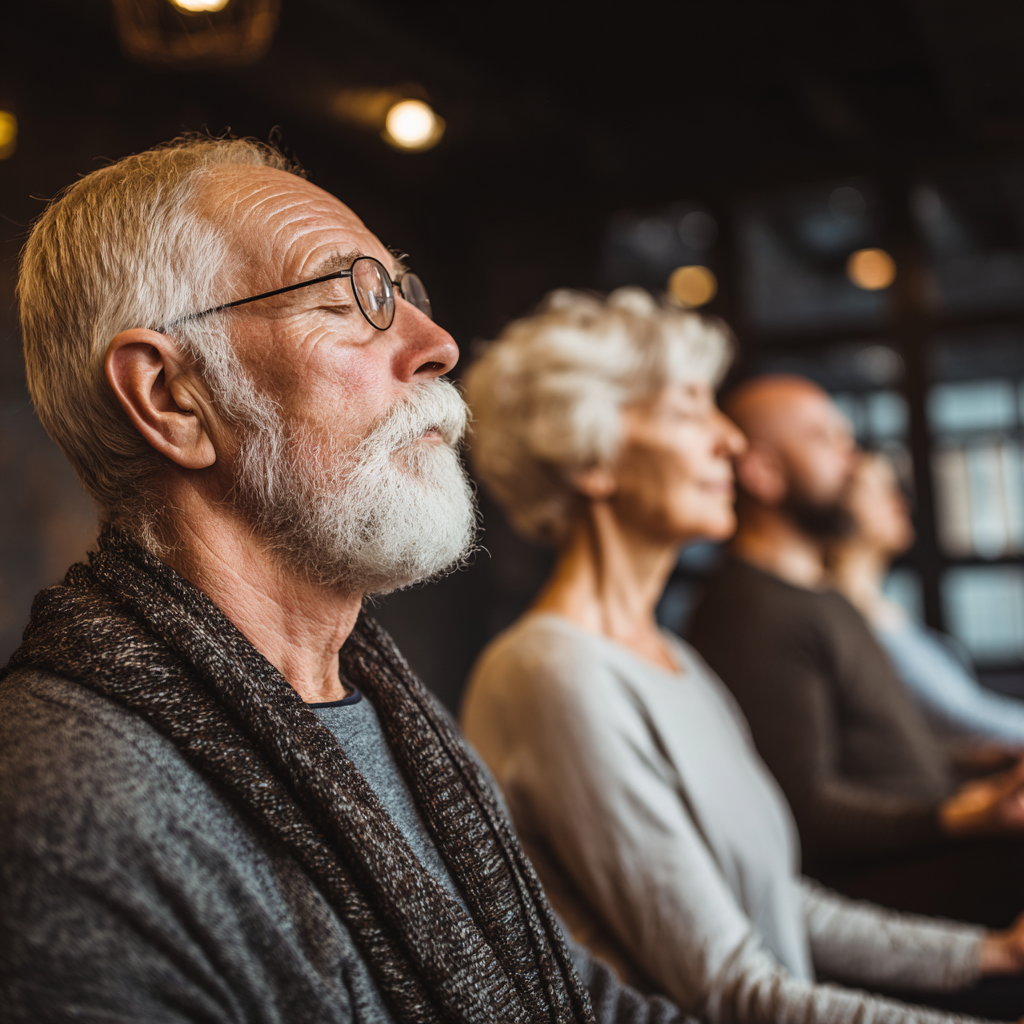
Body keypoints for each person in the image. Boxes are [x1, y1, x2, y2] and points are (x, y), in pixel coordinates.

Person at [0, 135, 695, 1024]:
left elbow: (570, 997)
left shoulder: (387, 707)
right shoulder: (73, 811)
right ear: (172, 398)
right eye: (348, 298)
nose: (438, 345)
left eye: (402, 293)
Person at [460, 291, 1024, 1024]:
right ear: (590, 458)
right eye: (690, 411)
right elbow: (728, 990)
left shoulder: (673, 661)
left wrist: (993, 954)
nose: (728, 439)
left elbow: (780, 904)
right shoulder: (554, 673)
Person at [687, 374, 1024, 929]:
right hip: (889, 892)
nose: (854, 460)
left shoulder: (822, 596)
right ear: (764, 472)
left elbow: (880, 760)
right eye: (826, 440)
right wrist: (963, 816)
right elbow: (805, 809)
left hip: (935, 856)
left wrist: (981, 767)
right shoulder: (753, 610)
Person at [829, 450, 1024, 750]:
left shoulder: (880, 608)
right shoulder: (849, 617)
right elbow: (962, 721)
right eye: (881, 491)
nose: (901, 503)